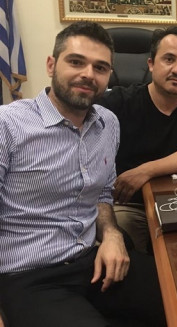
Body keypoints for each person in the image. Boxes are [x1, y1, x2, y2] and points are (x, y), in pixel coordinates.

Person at [0, 21, 165, 326]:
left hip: (92, 259)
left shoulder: (107, 123)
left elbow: (102, 194)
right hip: (30, 277)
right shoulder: (7, 125)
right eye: (76, 62)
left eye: (100, 67)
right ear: (51, 65)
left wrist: (112, 235)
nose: (88, 74)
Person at [98, 25, 177, 253]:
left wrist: (145, 171)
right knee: (123, 240)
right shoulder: (118, 102)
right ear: (151, 64)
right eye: (169, 59)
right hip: (130, 205)